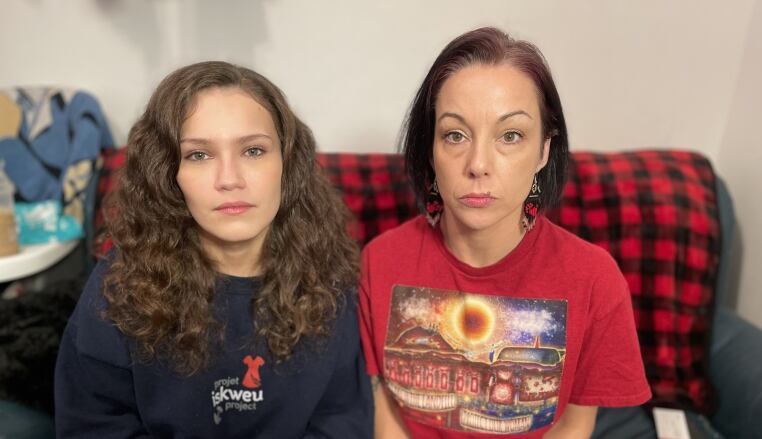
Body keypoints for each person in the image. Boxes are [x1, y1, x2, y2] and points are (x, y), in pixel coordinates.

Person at [359, 27, 651, 438]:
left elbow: (574, 426)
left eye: (510, 136)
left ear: (543, 151)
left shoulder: (594, 279)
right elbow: (383, 410)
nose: (478, 163)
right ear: (430, 150)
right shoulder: (380, 261)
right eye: (455, 135)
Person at [55, 61, 372, 438]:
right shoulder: (118, 287)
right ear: (168, 175)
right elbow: (93, 426)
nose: (229, 180)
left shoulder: (331, 281)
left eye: (253, 150)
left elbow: (342, 421)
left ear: (288, 165)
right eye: (199, 155)